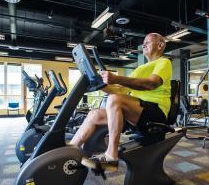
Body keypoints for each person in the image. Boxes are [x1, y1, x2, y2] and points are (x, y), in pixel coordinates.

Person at [69, 33, 172, 170]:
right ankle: (68, 152)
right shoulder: (140, 68)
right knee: (94, 114)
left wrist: (116, 79)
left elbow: (150, 84)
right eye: (144, 42)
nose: (144, 45)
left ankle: (112, 156)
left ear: (160, 45)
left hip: (155, 112)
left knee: (115, 100)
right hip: (137, 112)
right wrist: (100, 83)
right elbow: (118, 91)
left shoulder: (164, 62)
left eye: (148, 42)